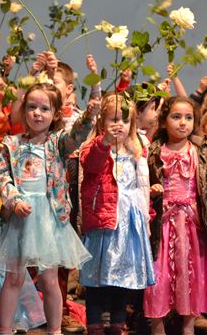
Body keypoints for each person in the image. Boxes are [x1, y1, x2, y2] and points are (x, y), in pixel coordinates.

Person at [0, 83, 99, 335]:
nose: (37, 113)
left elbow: (78, 135)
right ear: (23, 110)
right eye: (31, 107)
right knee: (14, 277)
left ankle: (54, 330)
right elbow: (1, 177)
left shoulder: (57, 143)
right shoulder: (12, 144)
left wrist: (89, 115)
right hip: (21, 217)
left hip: (49, 218)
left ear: (55, 114)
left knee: (50, 279)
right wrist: (14, 199)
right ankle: (5, 329)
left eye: (44, 108)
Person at [144, 96, 207, 335]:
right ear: (163, 121)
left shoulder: (200, 151)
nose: (183, 123)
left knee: (190, 272)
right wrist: (152, 190)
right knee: (160, 274)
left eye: (189, 117)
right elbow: (144, 181)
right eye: (176, 117)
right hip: (163, 221)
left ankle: (188, 325)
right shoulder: (154, 151)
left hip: (192, 222)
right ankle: (157, 326)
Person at [79, 92, 155, 335]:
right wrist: (104, 143)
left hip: (130, 219)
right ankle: (94, 323)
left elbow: (142, 183)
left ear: (132, 123)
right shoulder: (93, 146)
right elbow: (90, 165)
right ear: (102, 122)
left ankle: (117, 322)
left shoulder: (138, 147)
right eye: (112, 119)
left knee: (123, 273)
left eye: (123, 120)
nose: (118, 125)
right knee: (97, 273)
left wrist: (146, 214)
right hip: (103, 217)